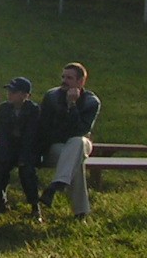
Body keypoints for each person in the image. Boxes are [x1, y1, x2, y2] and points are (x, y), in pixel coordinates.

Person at [38, 62, 101, 218]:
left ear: (81, 82)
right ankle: (80, 212)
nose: (64, 81)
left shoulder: (91, 102)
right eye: (63, 77)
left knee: (78, 142)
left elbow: (80, 130)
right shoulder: (52, 96)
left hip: (81, 144)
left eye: (69, 78)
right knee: (74, 160)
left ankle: (57, 184)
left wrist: (72, 105)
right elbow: (46, 128)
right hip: (56, 147)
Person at [0, 76, 42, 221]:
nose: (9, 94)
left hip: (28, 149)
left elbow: (31, 136)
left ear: (24, 95)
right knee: (0, 166)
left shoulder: (33, 110)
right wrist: (4, 153)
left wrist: (23, 156)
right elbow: (3, 135)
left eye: (13, 92)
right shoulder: (4, 109)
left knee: (27, 172)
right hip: (9, 147)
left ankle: (35, 206)